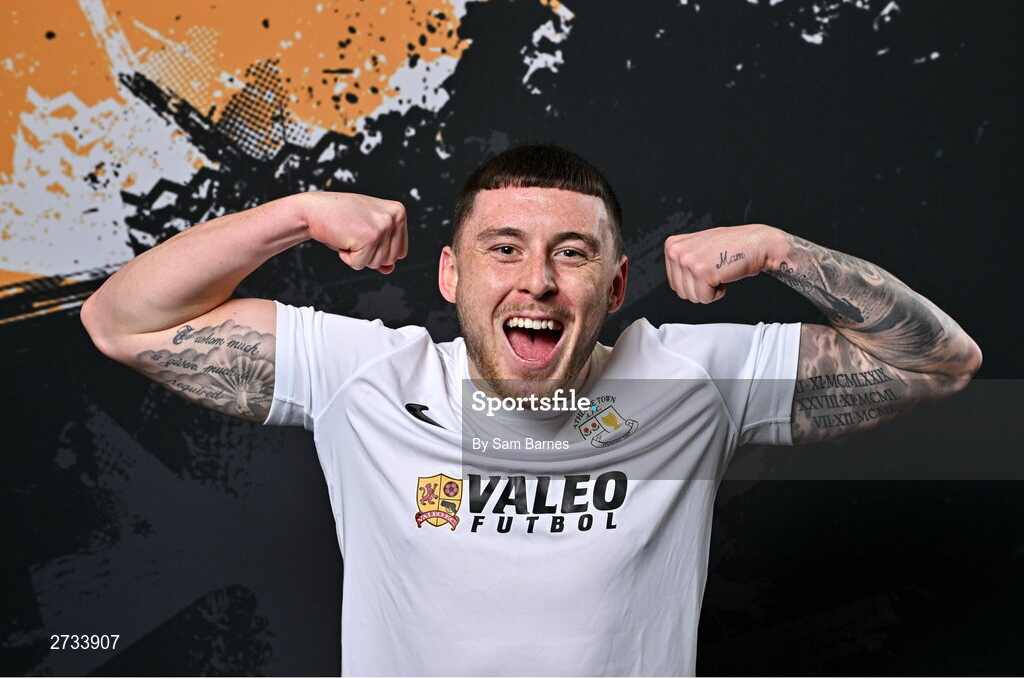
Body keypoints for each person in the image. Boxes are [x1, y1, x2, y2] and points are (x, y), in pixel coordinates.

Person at [81, 144, 981, 675]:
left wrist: (780, 251)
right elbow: (122, 322)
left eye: (573, 253)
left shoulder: (686, 382)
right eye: (504, 248)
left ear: (616, 286)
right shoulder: (368, 379)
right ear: (452, 275)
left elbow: (940, 365)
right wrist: (299, 215)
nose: (538, 280)